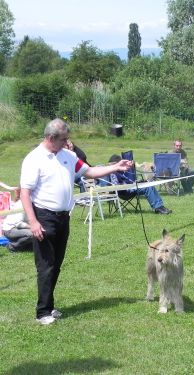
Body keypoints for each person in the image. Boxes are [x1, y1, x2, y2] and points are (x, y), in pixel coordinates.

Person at [20, 118, 133, 325]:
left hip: (63, 217)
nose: (67, 142)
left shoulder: (69, 156)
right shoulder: (33, 159)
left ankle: (50, 306)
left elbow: (89, 171)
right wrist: (33, 222)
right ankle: (42, 312)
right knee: (45, 265)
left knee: (56, 264)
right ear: (51, 138)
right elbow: (25, 194)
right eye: (63, 139)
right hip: (44, 216)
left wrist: (115, 167)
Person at [106, 154, 172, 215]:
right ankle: (159, 208)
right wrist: (130, 184)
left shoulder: (119, 171)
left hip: (131, 187)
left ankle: (160, 207)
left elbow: (128, 181)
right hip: (125, 192)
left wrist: (138, 182)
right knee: (147, 187)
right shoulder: (113, 173)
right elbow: (116, 185)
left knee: (148, 184)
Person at [2, 187, 33, 252]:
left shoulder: (31, 203)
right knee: (33, 234)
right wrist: (33, 227)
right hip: (10, 230)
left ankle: (26, 246)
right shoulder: (21, 204)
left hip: (19, 228)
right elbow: (19, 224)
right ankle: (12, 246)